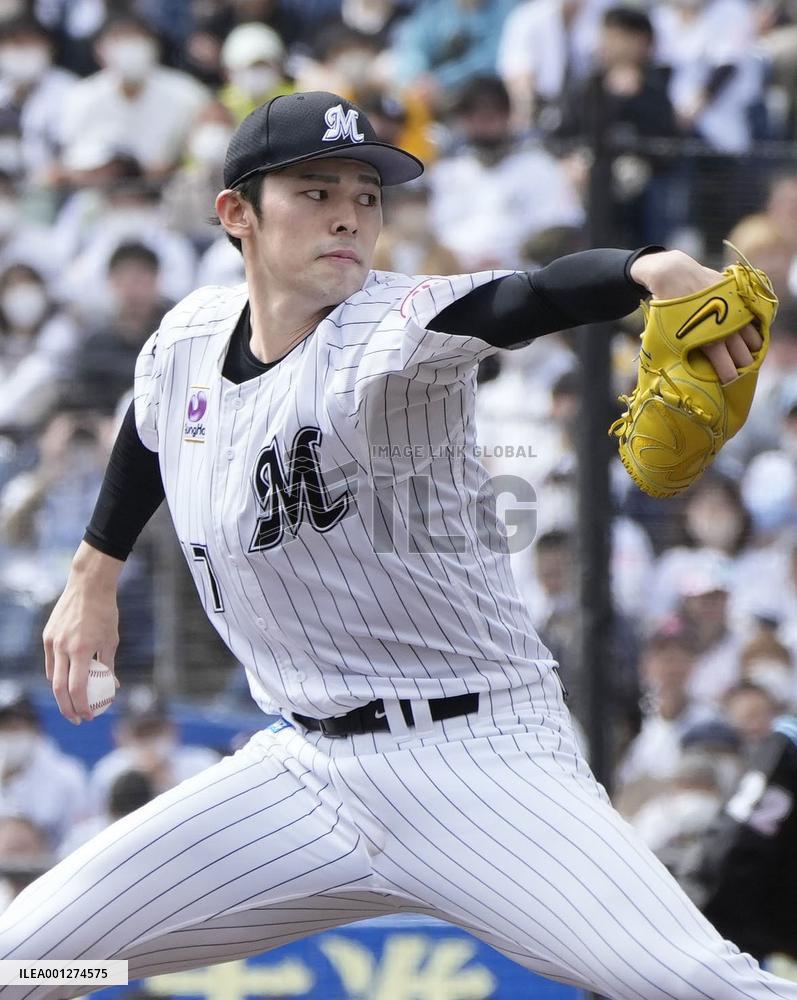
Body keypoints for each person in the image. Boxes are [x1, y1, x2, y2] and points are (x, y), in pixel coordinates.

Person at [1, 90, 787, 1000]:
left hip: (479, 762)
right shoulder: (186, 336)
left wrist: (646, 266)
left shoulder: (391, 327)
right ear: (235, 214)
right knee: (30, 962)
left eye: (366, 195)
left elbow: (519, 299)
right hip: (301, 774)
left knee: (698, 986)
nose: (348, 213)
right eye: (314, 189)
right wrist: (91, 573)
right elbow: (150, 427)